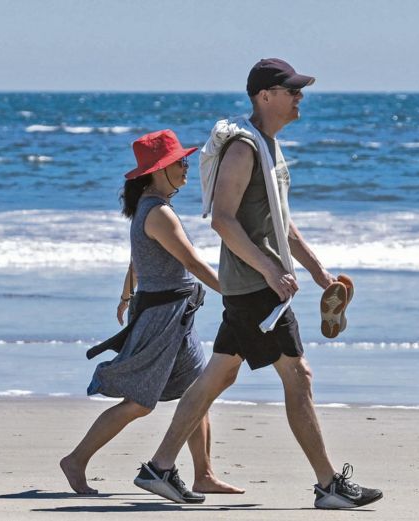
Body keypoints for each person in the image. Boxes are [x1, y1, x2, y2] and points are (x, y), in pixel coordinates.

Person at [132, 59, 383, 509]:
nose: (299, 97)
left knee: (218, 375)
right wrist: (270, 272)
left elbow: (282, 224)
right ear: (264, 96)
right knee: (298, 375)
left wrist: (318, 272)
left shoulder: (268, 147)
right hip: (255, 288)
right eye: (291, 90)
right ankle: (329, 485)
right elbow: (223, 221)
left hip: (255, 285)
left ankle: (159, 468)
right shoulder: (244, 149)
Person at [60, 129, 243, 499]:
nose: (187, 168)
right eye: (181, 163)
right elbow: (190, 261)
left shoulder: (152, 205)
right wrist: (238, 294)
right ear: (160, 170)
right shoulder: (158, 212)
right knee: (141, 402)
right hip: (161, 319)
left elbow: (138, 257)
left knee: (197, 391)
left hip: (176, 314)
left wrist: (126, 293)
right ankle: (76, 460)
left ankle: (203, 473)